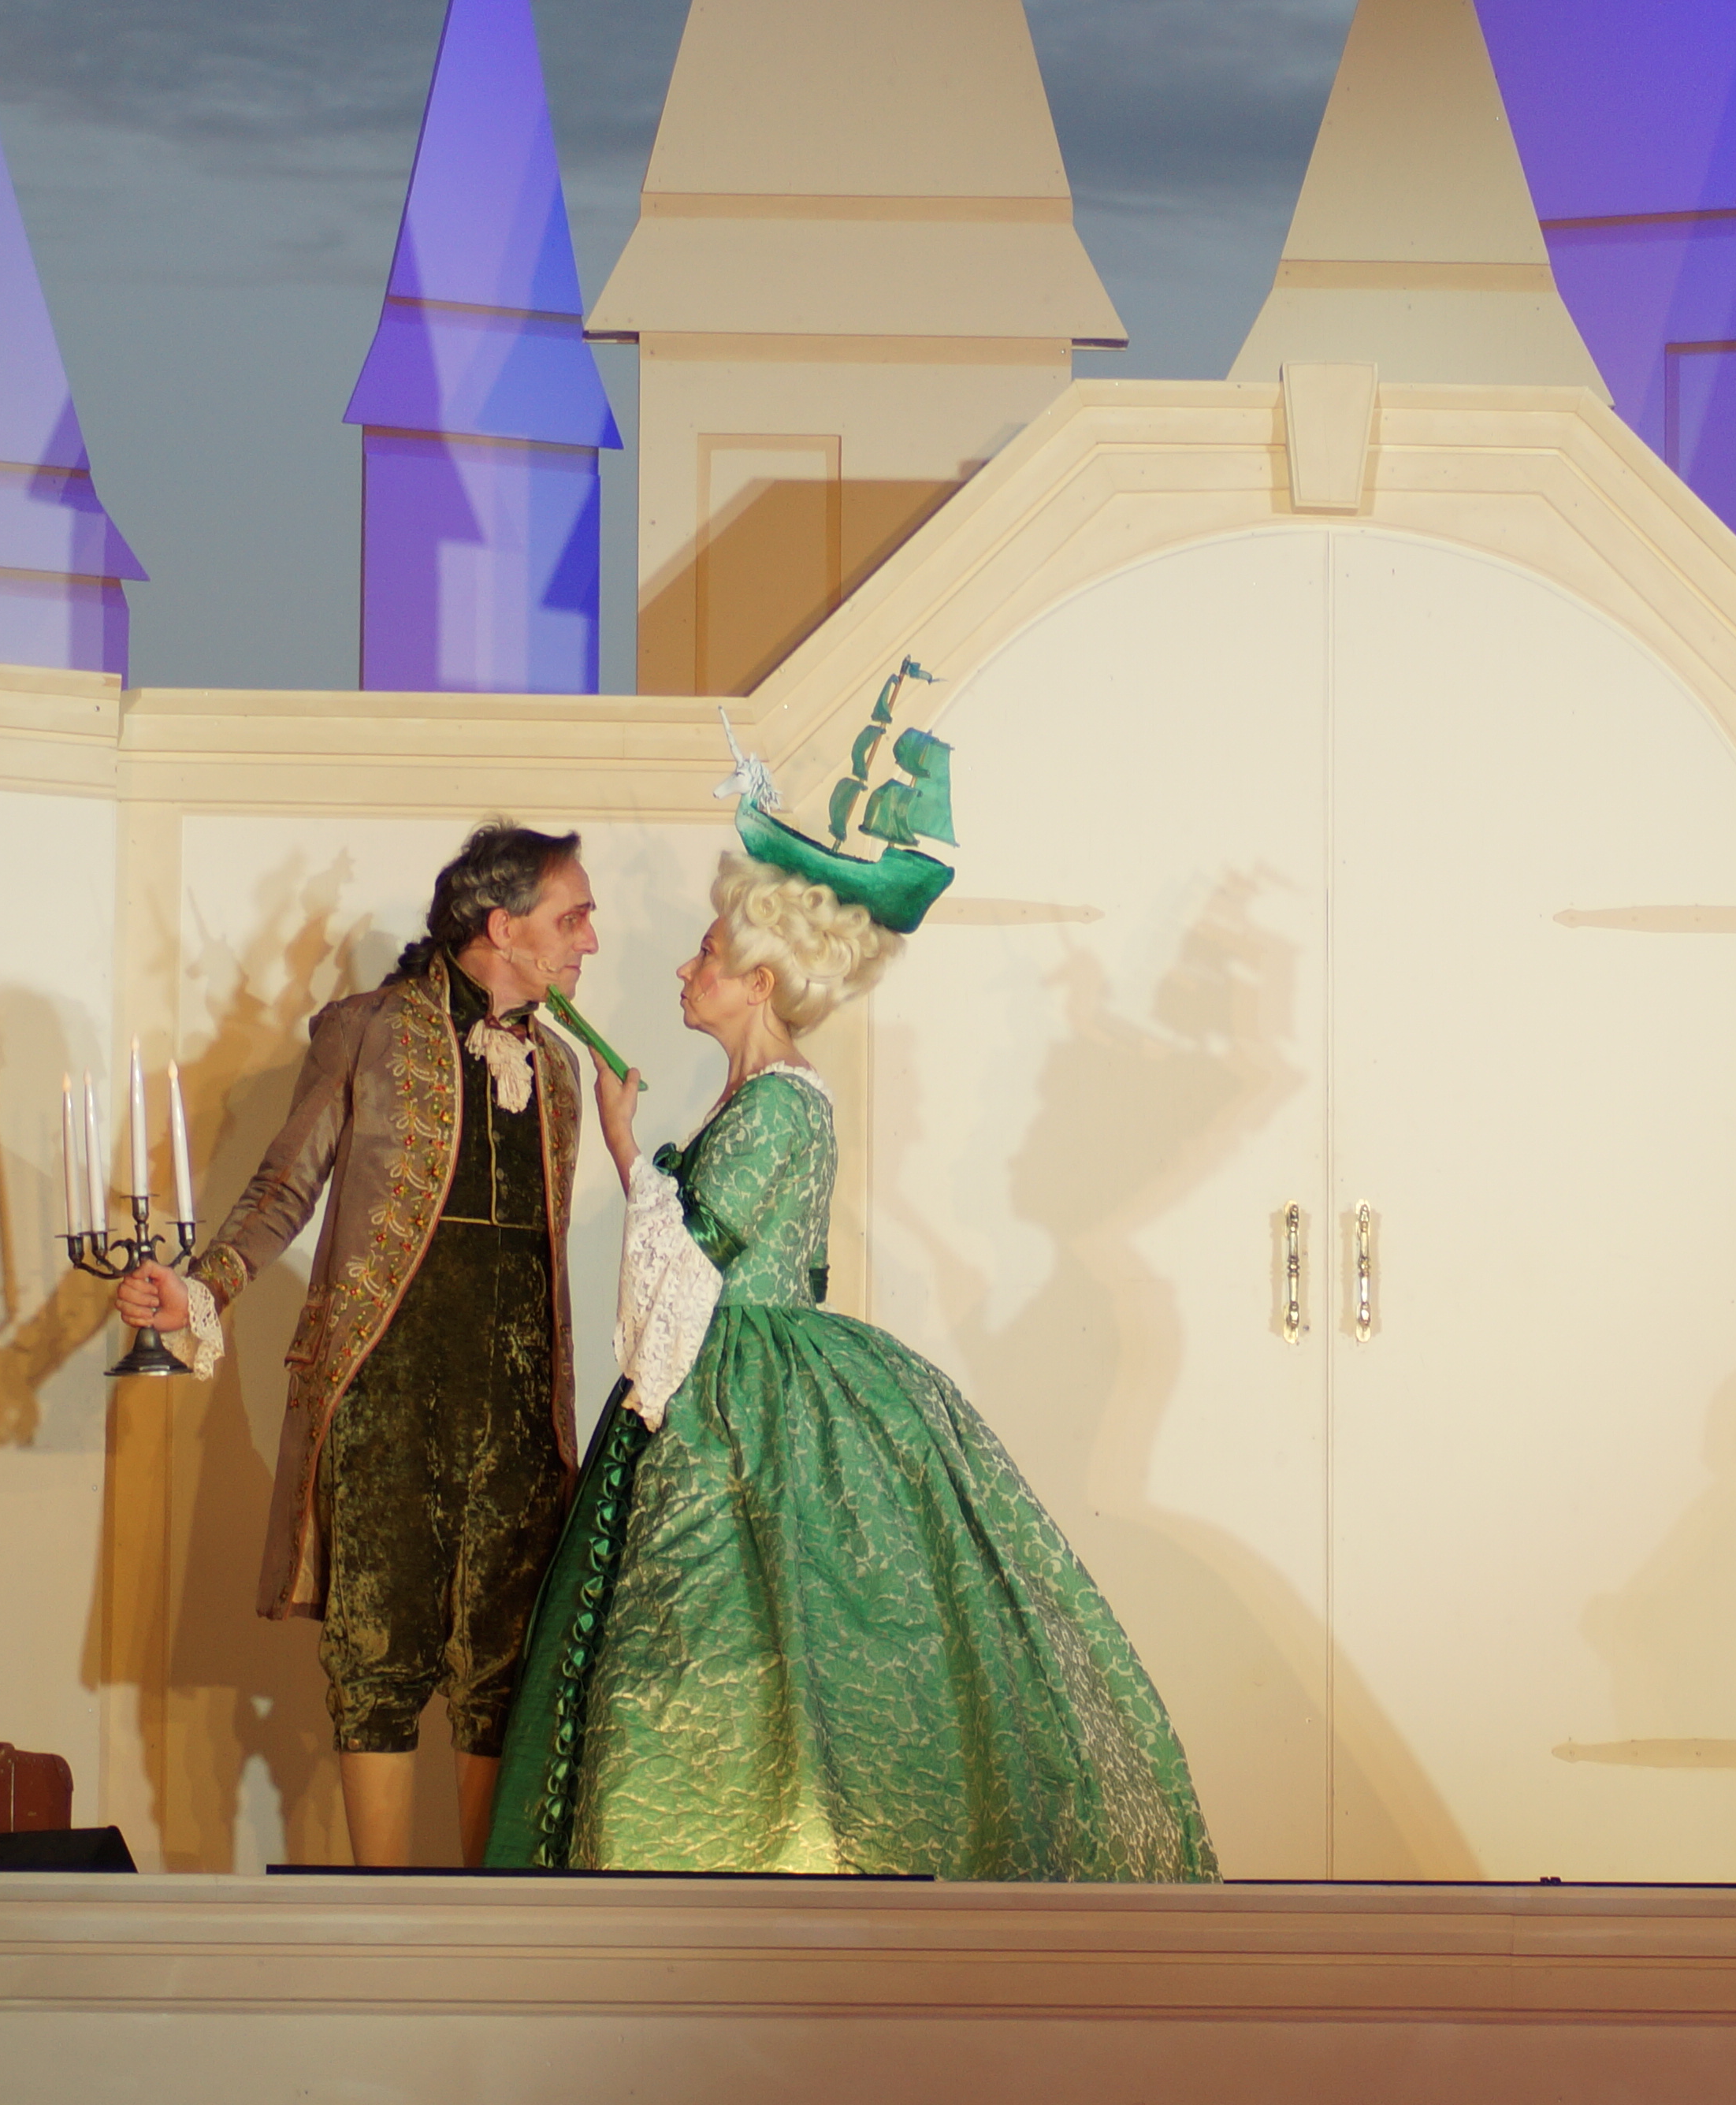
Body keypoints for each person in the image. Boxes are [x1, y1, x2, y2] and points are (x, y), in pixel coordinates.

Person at [480, 746, 1216, 1879]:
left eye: (708, 953)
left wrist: (627, 1147)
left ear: (760, 982)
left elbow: (691, 1271)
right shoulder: (755, 1099)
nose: (685, 966)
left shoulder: (780, 1106)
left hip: (748, 1402)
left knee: (747, 1644)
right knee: (708, 1654)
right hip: (731, 1384)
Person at [114, 821, 596, 1867]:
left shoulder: (561, 1069)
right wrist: (201, 1289)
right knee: (377, 1658)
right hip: (387, 1398)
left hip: (519, 1418)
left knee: (502, 1674)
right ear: (502, 925)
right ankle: (377, 1916)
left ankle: (488, 1920)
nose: (589, 942)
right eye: (573, 918)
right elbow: (285, 1185)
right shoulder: (368, 1029)